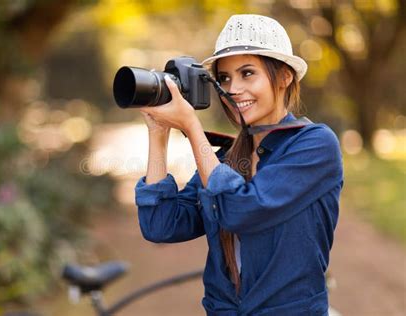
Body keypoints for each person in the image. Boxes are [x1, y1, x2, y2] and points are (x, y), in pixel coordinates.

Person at [134, 14, 343, 316]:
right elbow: (161, 225)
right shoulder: (226, 159)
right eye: (224, 78)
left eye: (247, 73)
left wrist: (192, 128)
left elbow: (241, 210)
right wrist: (158, 133)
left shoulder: (314, 145)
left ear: (285, 77)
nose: (232, 89)